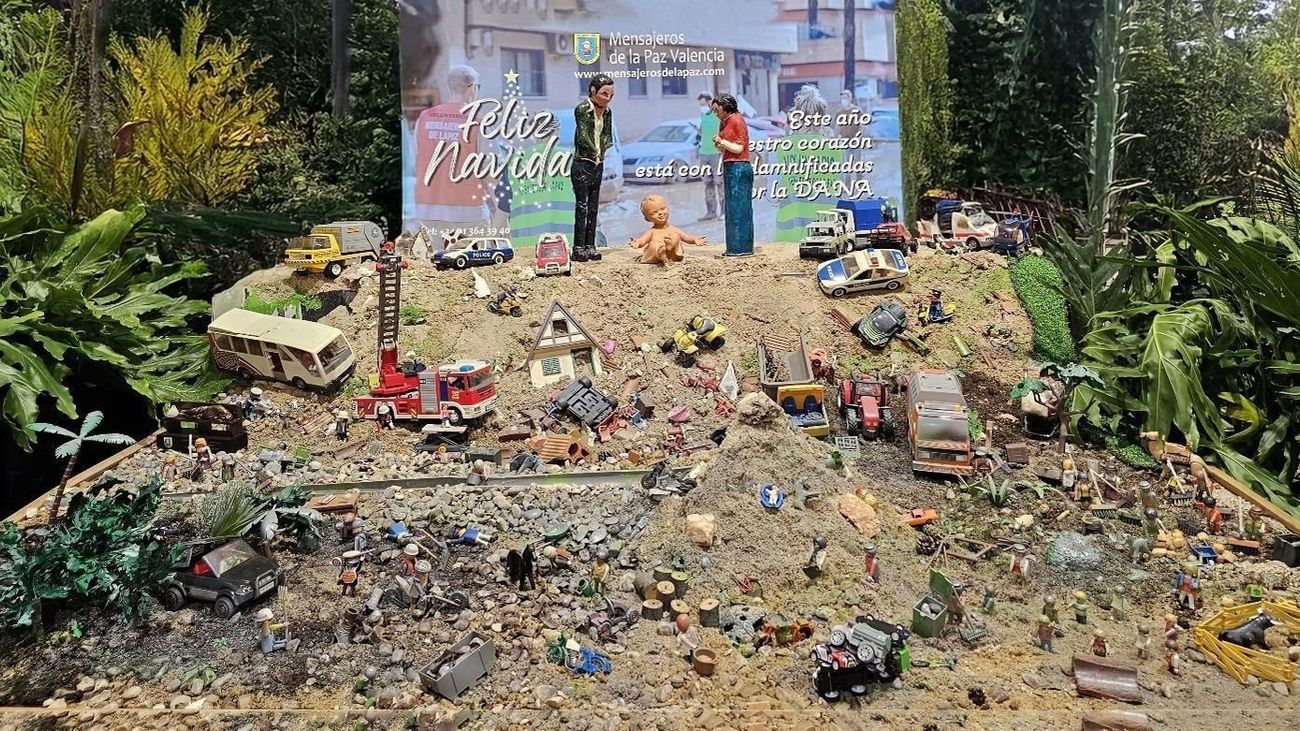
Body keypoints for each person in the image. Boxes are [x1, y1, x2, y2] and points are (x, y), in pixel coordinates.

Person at [413, 65, 493, 238]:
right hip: (469, 210)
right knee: (480, 260)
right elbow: (488, 169)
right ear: (471, 88)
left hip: (429, 209)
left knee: (434, 262)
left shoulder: (424, 118)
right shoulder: (479, 121)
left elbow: (416, 160)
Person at [571, 74, 615, 262]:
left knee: (594, 207)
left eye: (611, 95)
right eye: (604, 94)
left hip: (598, 163)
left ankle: (590, 245)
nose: (607, 98)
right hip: (583, 163)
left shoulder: (607, 112)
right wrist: (594, 149)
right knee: (582, 207)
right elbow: (582, 136)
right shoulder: (582, 109)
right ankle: (578, 246)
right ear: (593, 91)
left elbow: (607, 135)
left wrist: (602, 149)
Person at [711, 92, 753, 257]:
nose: (715, 113)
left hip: (739, 167)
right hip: (729, 166)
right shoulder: (724, 123)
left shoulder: (736, 120)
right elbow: (724, 149)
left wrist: (722, 142)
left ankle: (741, 247)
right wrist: (719, 144)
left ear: (724, 107)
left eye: (717, 109)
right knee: (731, 209)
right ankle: (734, 247)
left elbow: (738, 148)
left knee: (739, 209)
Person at [629, 194, 707, 264]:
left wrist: (695, 239)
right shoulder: (652, 232)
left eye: (662, 209)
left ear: (668, 208)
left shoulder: (673, 229)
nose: (660, 213)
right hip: (656, 255)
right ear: (647, 218)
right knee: (654, 244)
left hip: (672, 255)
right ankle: (661, 253)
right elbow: (643, 240)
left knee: (675, 236)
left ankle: (669, 248)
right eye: (654, 212)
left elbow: (687, 238)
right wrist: (637, 242)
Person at [696, 93, 722, 221]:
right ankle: (711, 212)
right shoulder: (703, 115)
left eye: (703, 104)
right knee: (707, 183)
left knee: (720, 182)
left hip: (716, 154)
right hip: (703, 153)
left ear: (710, 102)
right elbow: (703, 132)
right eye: (700, 104)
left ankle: (723, 212)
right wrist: (698, 131)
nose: (701, 107)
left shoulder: (718, 114)